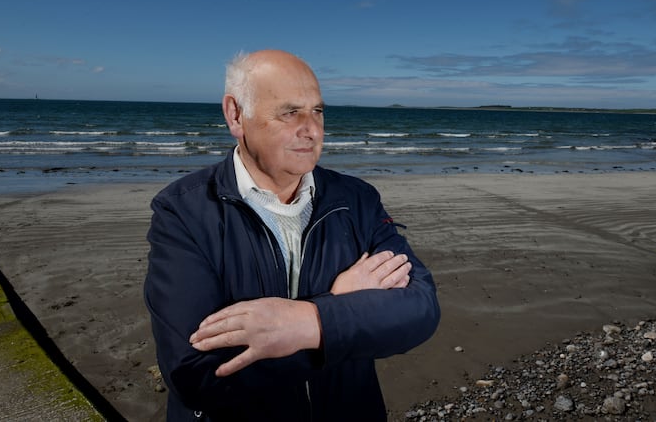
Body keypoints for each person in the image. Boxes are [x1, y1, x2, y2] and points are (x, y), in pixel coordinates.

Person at [144, 49, 440, 421]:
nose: (312, 129)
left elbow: (419, 307)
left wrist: (307, 322)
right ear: (235, 114)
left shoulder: (356, 199)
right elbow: (197, 374)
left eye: (317, 111)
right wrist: (340, 307)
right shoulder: (183, 212)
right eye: (289, 112)